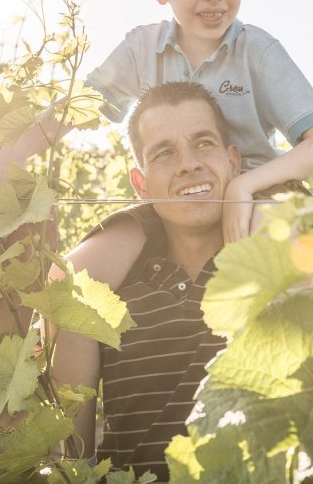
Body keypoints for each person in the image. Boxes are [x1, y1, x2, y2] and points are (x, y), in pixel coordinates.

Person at [0, 0, 313, 291]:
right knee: (73, 276)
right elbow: (80, 108)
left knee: (286, 247)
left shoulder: (258, 51)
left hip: (258, 197)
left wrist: (245, 184)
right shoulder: (141, 49)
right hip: (172, 205)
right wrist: (14, 154)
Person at [50, 82, 243, 481]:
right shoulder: (109, 296)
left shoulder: (269, 270)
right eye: (164, 153)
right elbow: (73, 458)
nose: (188, 164)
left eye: (203, 143)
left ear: (234, 162)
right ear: (140, 185)